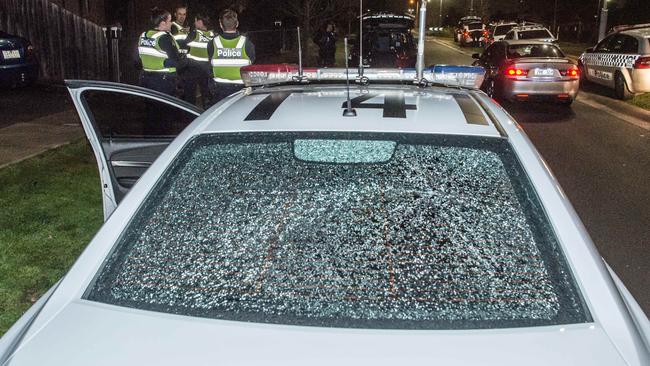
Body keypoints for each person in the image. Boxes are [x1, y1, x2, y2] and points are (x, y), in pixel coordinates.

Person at [207, 9, 255, 104]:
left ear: (220, 24)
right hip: (241, 90)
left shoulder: (213, 43)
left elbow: (210, 65)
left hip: (219, 90)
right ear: (237, 24)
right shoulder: (246, 43)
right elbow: (252, 61)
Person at [138, 7, 187, 96]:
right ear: (163, 23)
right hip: (164, 82)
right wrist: (185, 60)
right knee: (167, 109)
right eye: (170, 21)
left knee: (151, 107)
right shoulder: (164, 38)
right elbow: (177, 62)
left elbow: (137, 60)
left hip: (145, 79)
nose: (171, 23)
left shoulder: (143, 35)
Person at [184, 12, 215, 107]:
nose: (194, 23)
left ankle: (189, 117)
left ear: (200, 22)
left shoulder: (194, 33)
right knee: (206, 93)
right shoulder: (212, 34)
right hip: (206, 68)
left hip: (192, 68)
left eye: (195, 21)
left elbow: (184, 45)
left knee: (190, 94)